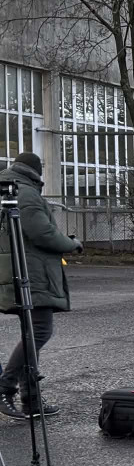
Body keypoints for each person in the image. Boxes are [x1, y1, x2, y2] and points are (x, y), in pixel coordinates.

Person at [0, 152, 81, 419]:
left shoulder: (11, 188)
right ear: (35, 171)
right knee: (40, 331)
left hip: (16, 269)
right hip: (31, 272)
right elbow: (42, 233)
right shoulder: (25, 192)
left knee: (31, 333)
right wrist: (72, 244)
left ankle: (31, 398)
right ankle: (5, 386)